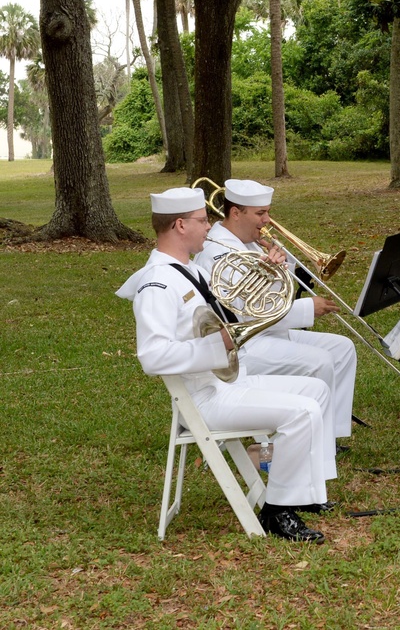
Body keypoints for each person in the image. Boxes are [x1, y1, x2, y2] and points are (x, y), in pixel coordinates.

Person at [116, 187, 333, 542]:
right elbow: (152, 356)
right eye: (203, 221)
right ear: (180, 225)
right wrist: (215, 346)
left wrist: (265, 272)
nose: (209, 227)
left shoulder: (188, 270)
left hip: (227, 383)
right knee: (303, 411)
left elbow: (231, 313)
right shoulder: (157, 283)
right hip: (203, 398)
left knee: (317, 390)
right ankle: (278, 513)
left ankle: (300, 490)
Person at [194, 179, 356, 461]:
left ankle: (330, 434)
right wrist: (305, 310)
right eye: (260, 213)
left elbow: (278, 293)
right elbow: (250, 313)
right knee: (320, 361)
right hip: (245, 344)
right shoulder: (218, 252)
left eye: (267, 211)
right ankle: (316, 443)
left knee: (343, 349)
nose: (267, 220)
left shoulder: (248, 241)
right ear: (235, 213)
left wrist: (283, 261)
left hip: (270, 333)